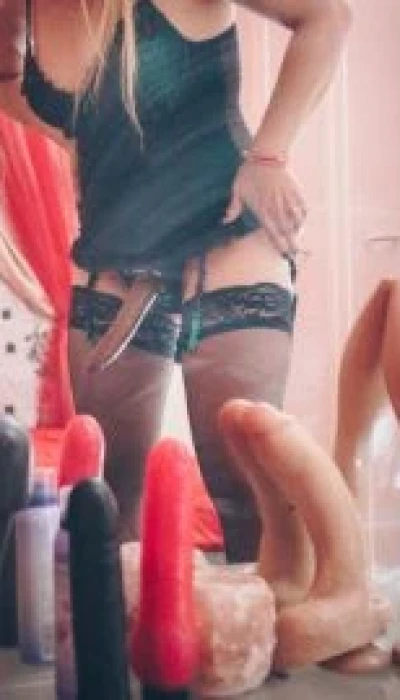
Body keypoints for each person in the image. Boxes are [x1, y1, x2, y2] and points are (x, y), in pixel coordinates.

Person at [0, 0, 352, 565]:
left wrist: (268, 156)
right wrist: (89, 138)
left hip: (225, 232)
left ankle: (284, 615)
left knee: (242, 490)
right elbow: (8, 80)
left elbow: (326, 18)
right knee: (105, 501)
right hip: (114, 250)